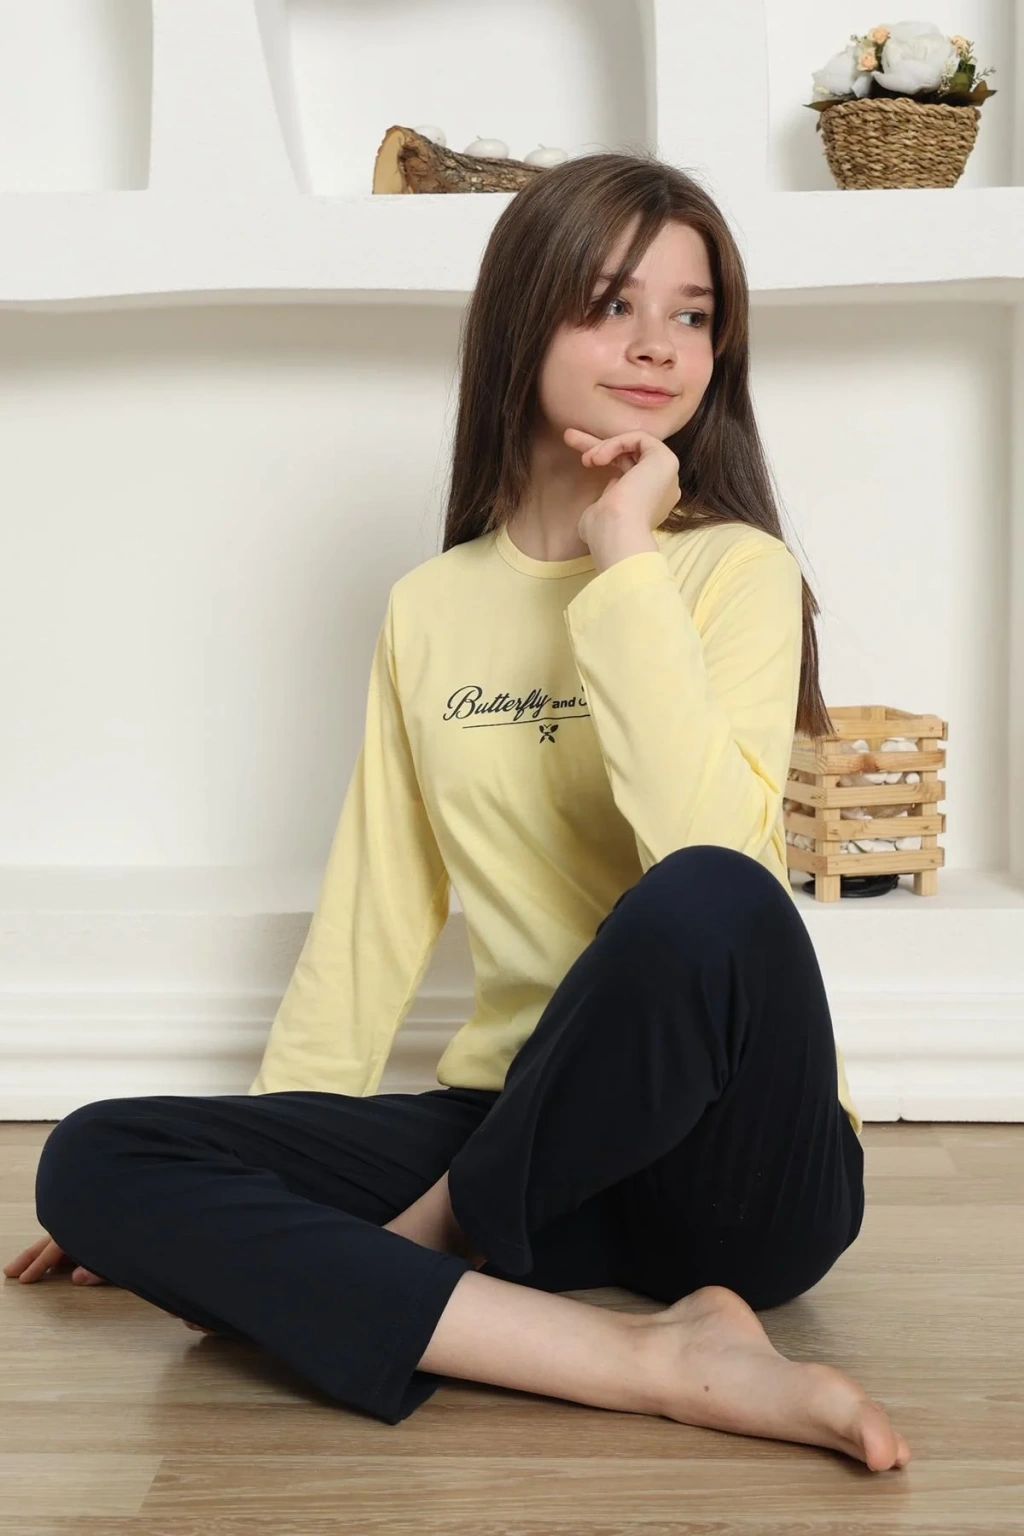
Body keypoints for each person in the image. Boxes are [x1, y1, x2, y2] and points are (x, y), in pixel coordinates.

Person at [4, 151, 910, 1472]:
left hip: (734, 1169)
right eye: (610, 304)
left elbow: (708, 856)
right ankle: (644, 1356)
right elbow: (373, 917)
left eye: (693, 313)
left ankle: (428, 1247)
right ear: (522, 319)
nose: (658, 345)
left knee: (708, 893)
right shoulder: (429, 609)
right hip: (513, 1128)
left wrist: (624, 555)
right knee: (96, 1158)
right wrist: (255, 1163)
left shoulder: (732, 572)